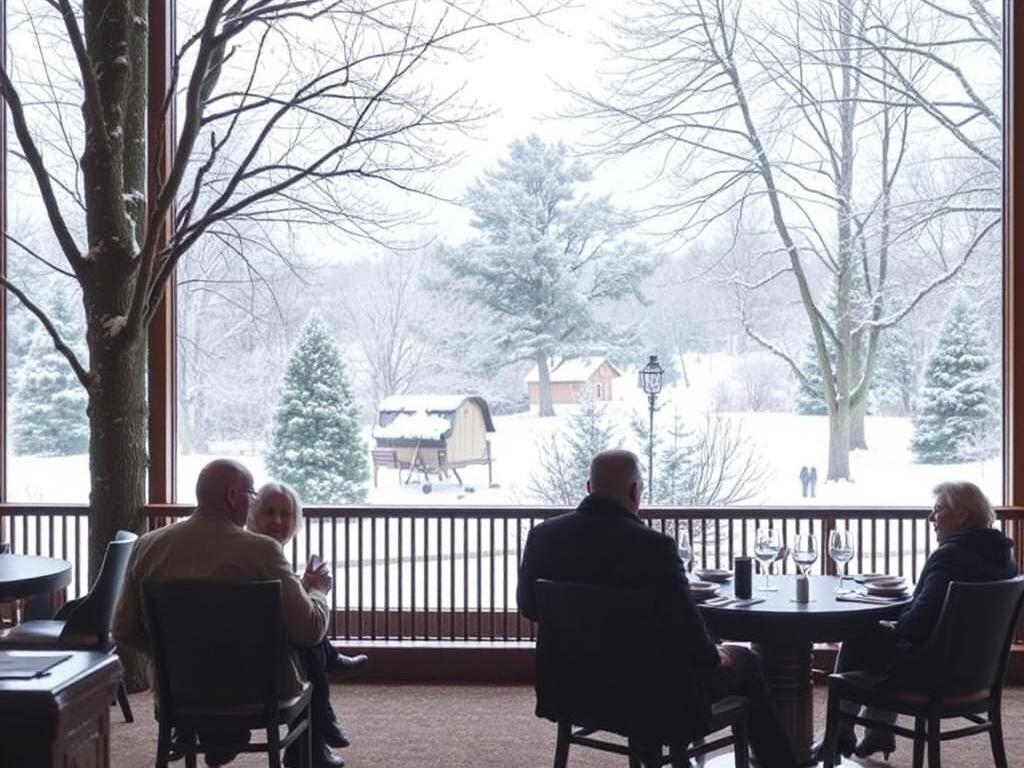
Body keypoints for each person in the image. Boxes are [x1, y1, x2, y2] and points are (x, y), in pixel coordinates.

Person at [518, 449, 797, 768]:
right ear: (635, 491)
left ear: (589, 487)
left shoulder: (543, 536)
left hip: (571, 686)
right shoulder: (653, 547)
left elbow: (529, 607)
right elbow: (688, 630)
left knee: (659, 662)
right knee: (747, 661)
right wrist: (714, 655)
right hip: (650, 695)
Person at [113, 459, 332, 768]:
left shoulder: (148, 547)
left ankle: (218, 735)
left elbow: (123, 630)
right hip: (259, 690)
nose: (252, 504)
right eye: (251, 496)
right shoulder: (263, 551)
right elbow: (309, 631)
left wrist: (173, 657)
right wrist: (318, 591)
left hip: (180, 688)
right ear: (232, 496)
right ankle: (291, 748)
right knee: (309, 654)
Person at [813, 481, 1019, 762]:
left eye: (938, 509)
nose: (931, 518)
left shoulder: (951, 556)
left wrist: (893, 626)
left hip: (935, 675)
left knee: (859, 640)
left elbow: (918, 624)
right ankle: (877, 732)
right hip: (978, 674)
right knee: (885, 644)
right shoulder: (1005, 560)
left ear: (962, 515)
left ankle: (840, 733)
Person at [248, 482, 368, 768]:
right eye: (269, 513)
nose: (278, 521)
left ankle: (313, 743)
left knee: (305, 641)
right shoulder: (263, 552)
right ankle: (319, 729)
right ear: (253, 515)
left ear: (295, 521)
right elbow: (306, 626)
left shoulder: (257, 550)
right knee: (309, 646)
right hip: (257, 664)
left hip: (258, 647)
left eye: (285, 514)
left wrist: (301, 587)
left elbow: (275, 607)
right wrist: (318, 591)